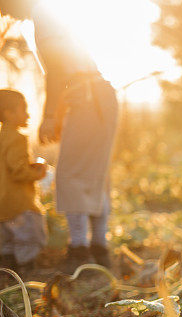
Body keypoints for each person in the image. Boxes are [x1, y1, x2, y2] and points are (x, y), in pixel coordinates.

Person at [0, 0, 119, 271]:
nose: (4, 13)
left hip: (87, 97)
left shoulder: (44, 16)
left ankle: (79, 249)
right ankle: (98, 247)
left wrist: (50, 114)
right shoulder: (48, 15)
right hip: (99, 96)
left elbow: (56, 70)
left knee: (70, 175)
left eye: (3, 6)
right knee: (96, 174)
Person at [0, 89, 48, 272]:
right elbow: (18, 171)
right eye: (23, 109)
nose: (28, 114)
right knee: (29, 239)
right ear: (8, 113)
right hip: (19, 203)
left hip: (2, 205)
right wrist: (37, 172)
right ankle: (26, 276)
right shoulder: (17, 138)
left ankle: (8, 276)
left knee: (7, 245)